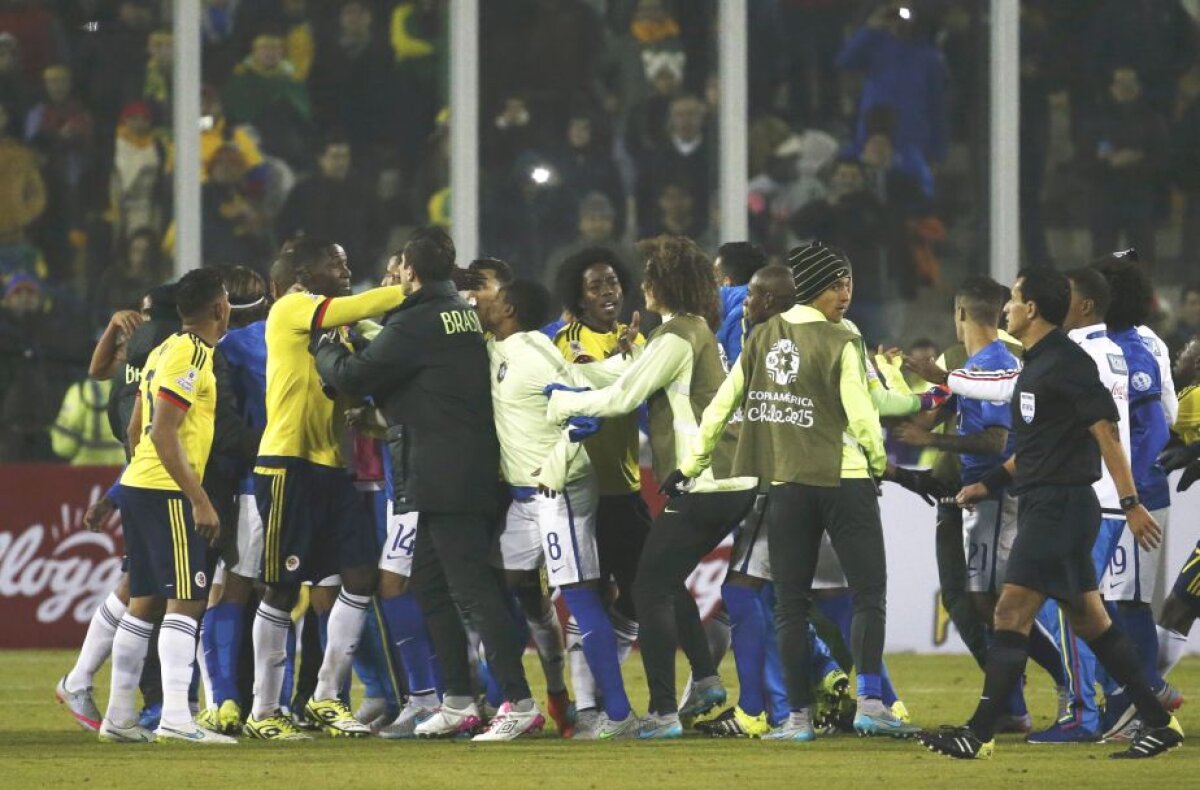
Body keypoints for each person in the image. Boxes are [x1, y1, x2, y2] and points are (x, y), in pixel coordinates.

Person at [916, 267, 1182, 760]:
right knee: (1091, 622)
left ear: (1032, 309)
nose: (1006, 310)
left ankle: (977, 733)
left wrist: (1130, 502)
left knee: (1009, 610)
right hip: (1050, 503)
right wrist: (989, 482)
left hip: (1060, 507)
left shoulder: (1068, 363)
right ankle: (1159, 720)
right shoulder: (1039, 365)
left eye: (1013, 301)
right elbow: (1036, 447)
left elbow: (1104, 429)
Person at [676, 242, 932, 741]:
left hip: (787, 483)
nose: (848, 293)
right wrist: (878, 462)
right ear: (816, 285)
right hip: (844, 480)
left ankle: (795, 719)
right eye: (839, 283)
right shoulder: (842, 337)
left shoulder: (761, 335)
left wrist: (692, 463)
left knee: (789, 604)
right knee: (868, 595)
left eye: (849, 283)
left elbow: (724, 404)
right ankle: (872, 703)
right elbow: (861, 412)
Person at [312, 227, 543, 742]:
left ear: (410, 273)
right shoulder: (457, 313)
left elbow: (353, 376)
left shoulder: (420, 320)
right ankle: (458, 700)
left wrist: (323, 347)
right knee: (431, 585)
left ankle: (519, 701)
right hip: (448, 467)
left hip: (447, 472)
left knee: (473, 592)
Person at [546, 235, 746, 738]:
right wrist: (611, 361)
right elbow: (633, 376)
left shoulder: (677, 335)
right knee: (663, 579)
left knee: (650, 586)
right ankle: (703, 682)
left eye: (650, 278)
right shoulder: (691, 331)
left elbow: (623, 397)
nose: (643, 287)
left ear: (667, 285)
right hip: (725, 479)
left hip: (706, 481)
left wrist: (561, 401)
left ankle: (661, 712)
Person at [245, 237, 407, 741]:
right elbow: (361, 304)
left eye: (344, 258)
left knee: (359, 577)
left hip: (332, 466)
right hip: (287, 462)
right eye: (334, 261)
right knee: (282, 586)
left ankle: (325, 699)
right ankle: (263, 711)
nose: (345, 266)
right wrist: (411, 289)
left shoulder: (334, 322)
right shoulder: (294, 307)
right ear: (304, 271)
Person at [481, 278, 637, 739]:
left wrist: (556, 464)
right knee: (503, 583)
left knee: (580, 592)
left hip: (558, 490)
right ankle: (527, 703)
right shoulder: (503, 346)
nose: (483, 305)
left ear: (508, 307)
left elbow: (580, 414)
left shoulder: (531, 355)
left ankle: (618, 714)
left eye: (490, 298)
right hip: (524, 497)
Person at [99, 267, 234, 744]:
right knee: (187, 601)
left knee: (145, 599)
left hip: (143, 484)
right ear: (220, 308)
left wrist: (125, 484)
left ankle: (118, 717)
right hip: (167, 492)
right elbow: (161, 430)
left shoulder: (160, 350)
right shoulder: (191, 354)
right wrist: (198, 499)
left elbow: (136, 430)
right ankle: (178, 717)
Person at [549, 246, 648, 735]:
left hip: (626, 487)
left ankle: (601, 689)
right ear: (579, 298)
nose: (608, 292)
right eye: (596, 286)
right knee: (588, 594)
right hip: (583, 490)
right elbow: (582, 390)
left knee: (639, 591)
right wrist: (618, 363)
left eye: (612, 282)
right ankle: (588, 707)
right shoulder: (566, 342)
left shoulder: (637, 338)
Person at [1094, 256, 1181, 738]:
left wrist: (1134, 493)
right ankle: (1138, 695)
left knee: (1127, 602)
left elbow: (1153, 429)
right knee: (1111, 600)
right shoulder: (1104, 345)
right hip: (1117, 494)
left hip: (1138, 497)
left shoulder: (1132, 349)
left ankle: (1142, 704)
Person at [713, 241, 767, 363]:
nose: (712, 283)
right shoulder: (764, 304)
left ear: (727, 282)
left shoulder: (742, 314)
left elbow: (741, 368)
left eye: (715, 276)